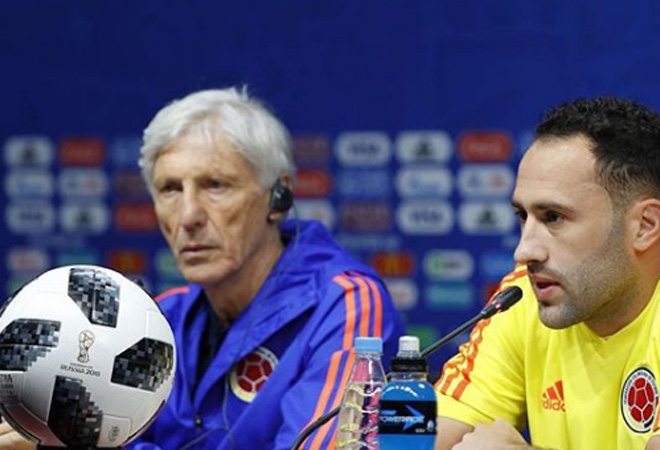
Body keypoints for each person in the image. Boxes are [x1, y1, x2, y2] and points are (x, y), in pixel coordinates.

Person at [0, 87, 405, 450]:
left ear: (278, 197)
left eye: (216, 185)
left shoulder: (346, 304)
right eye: (170, 189)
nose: (189, 215)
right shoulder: (158, 317)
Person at [435, 97, 660, 450]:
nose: (524, 251)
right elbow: (417, 444)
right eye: (523, 216)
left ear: (644, 226)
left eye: (553, 217)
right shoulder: (526, 295)